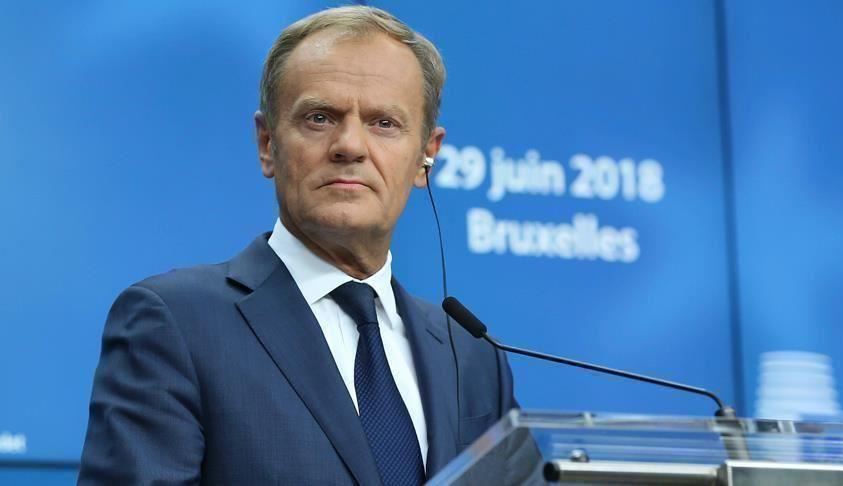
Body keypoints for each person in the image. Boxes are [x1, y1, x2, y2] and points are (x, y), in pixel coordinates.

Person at [79, 6, 517, 485]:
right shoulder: (176, 324)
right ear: (267, 143)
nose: (350, 145)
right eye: (319, 118)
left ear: (426, 156)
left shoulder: (472, 356)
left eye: (384, 123)